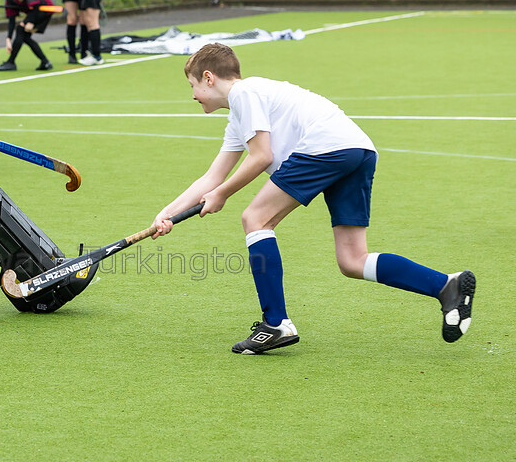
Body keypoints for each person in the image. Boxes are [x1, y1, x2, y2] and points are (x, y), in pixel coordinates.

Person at [152, 43, 476, 354]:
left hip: (324, 147)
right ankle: (446, 285)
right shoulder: (239, 116)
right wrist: (165, 214)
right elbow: (212, 177)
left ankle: (276, 324)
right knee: (352, 260)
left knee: (255, 218)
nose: (193, 95)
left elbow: (261, 157)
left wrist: (221, 195)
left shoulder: (244, 93)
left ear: (209, 78)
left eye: (193, 85)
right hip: (357, 150)